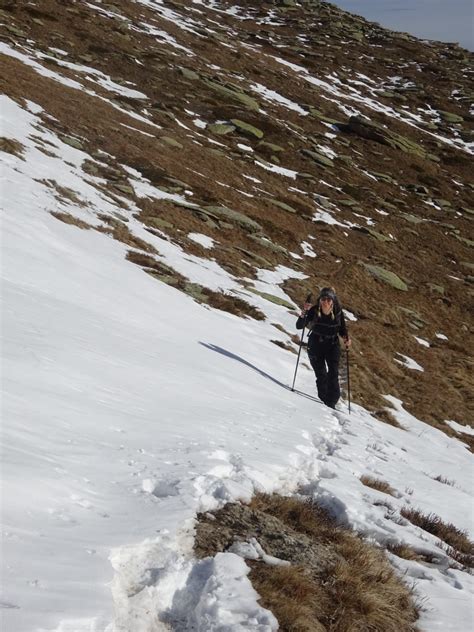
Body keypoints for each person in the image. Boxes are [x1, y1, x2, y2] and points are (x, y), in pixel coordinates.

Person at [296, 287, 351, 409]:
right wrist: (303, 313)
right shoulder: (314, 311)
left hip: (332, 345)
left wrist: (346, 339)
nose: (326, 301)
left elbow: (342, 329)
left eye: (328, 299)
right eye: (323, 299)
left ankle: (332, 401)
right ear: (319, 300)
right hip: (316, 344)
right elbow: (299, 326)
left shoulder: (337, 312)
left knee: (333, 373)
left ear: (333, 300)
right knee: (321, 374)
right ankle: (324, 398)